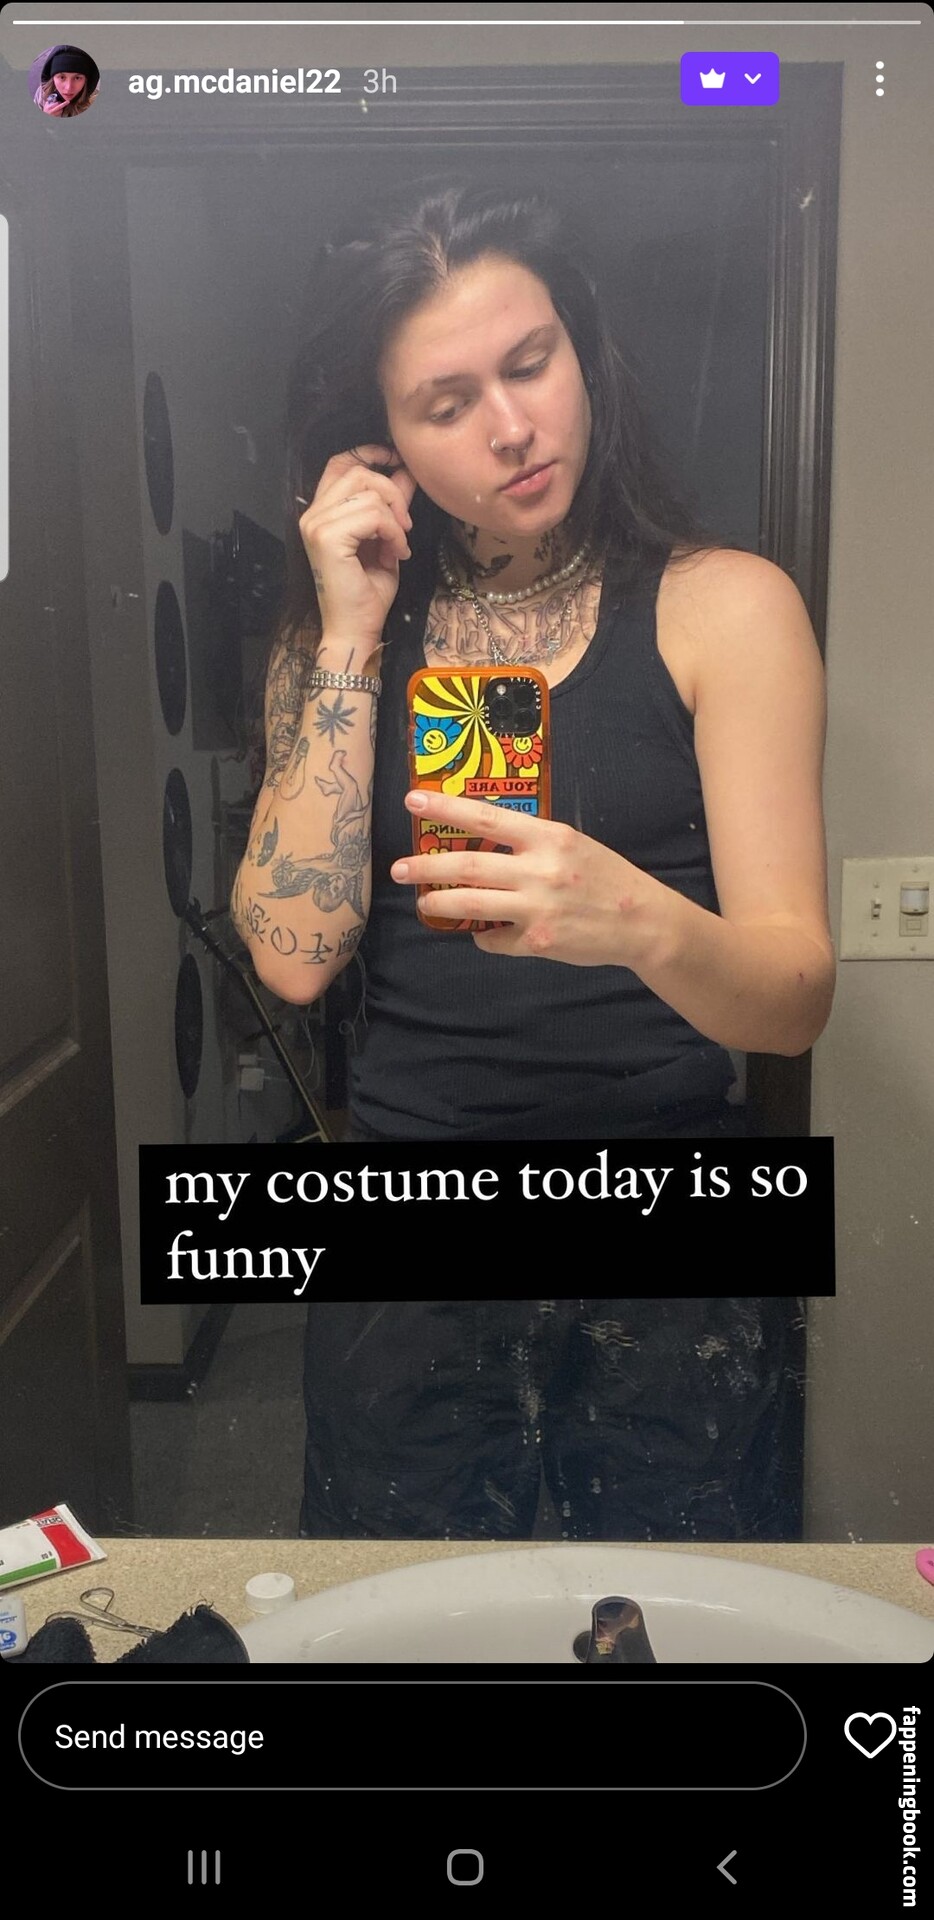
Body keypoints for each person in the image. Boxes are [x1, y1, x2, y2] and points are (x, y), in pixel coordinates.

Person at [231, 182, 834, 1541]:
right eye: (445, 404)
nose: (510, 427)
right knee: (406, 1613)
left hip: (666, 1215)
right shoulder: (336, 639)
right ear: (378, 443)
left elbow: (793, 1000)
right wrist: (348, 635)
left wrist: (633, 917)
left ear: (583, 351)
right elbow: (290, 958)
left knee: (671, 1619)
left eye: (529, 362)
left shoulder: (724, 608)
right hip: (414, 1212)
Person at [32, 45, 100, 118]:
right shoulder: (42, 94)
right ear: (53, 78)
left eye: (77, 78)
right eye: (62, 77)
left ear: (86, 80)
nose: (68, 88)